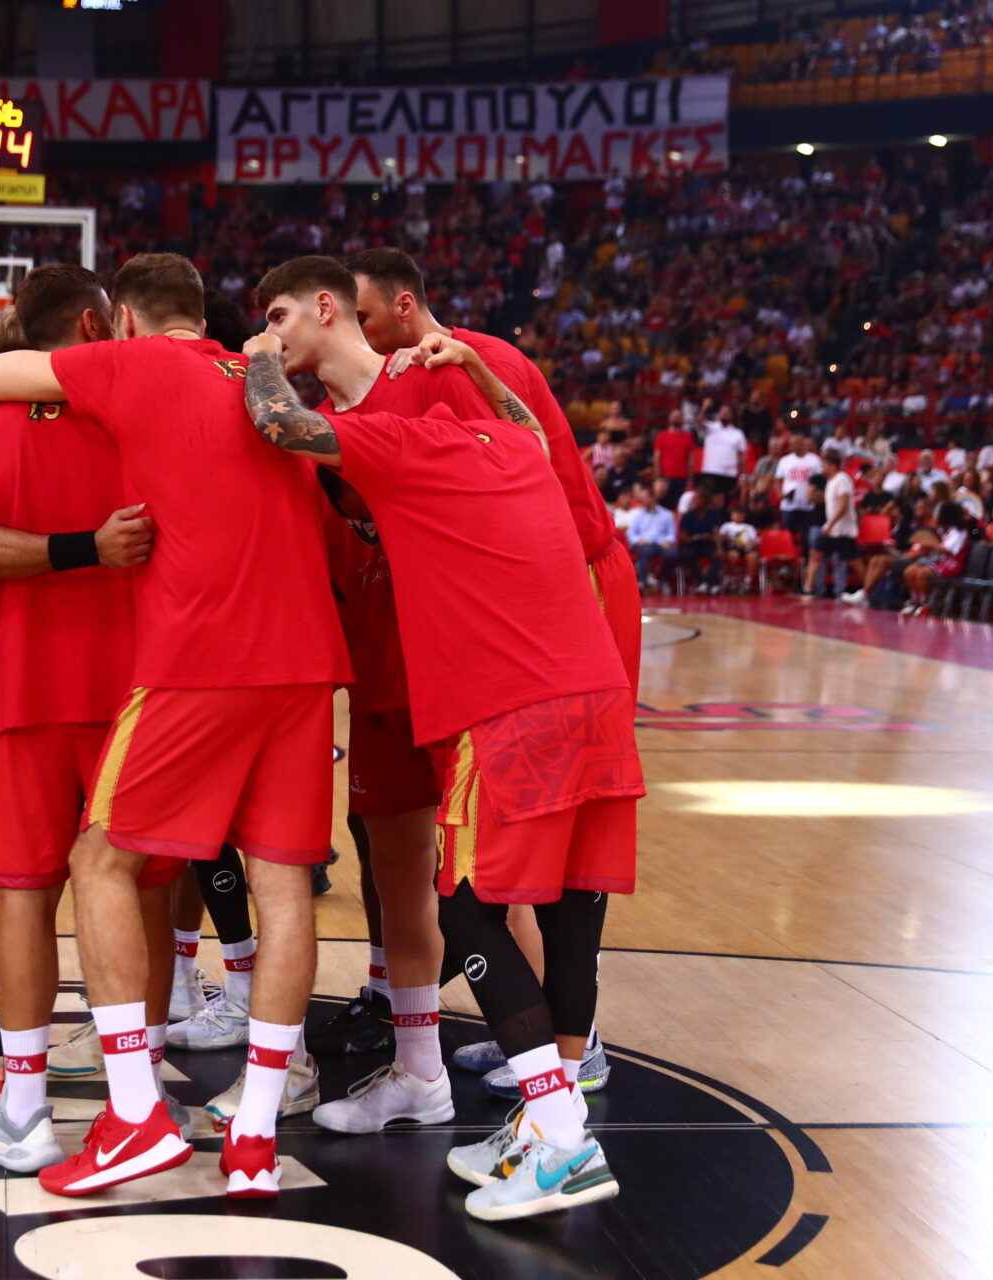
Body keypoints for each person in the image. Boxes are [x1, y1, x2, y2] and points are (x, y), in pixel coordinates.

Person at [0, 253, 349, 1200]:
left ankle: (134, 1113)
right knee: (284, 888)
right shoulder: (263, 378)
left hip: (200, 656)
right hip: (307, 660)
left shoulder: (135, 365)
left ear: (122, 321)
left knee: (97, 862)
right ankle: (255, 1135)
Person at [239, 352, 641, 1223]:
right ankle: (546, 1121)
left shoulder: (408, 450)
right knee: (574, 915)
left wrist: (258, 355)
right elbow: (530, 424)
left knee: (463, 909)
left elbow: (280, 422)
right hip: (598, 697)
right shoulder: (514, 445)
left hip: (512, 708)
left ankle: (563, 1141)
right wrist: (478, 369)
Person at [349, 248, 641, 1093]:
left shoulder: (472, 363)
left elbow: (527, 475)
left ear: (406, 307)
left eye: (366, 315)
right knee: (528, 845)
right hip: (539, 603)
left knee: (541, 839)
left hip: (573, 588)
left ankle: (570, 1060)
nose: (363, 332)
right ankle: (555, 1045)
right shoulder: (423, 373)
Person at [0, 275, 167, 1171]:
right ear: (95, 323)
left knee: (23, 894)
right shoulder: (139, 411)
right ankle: (145, 1090)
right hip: (137, 686)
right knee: (141, 888)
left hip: (22, 686)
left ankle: (23, 1111)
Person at [253, 256, 501, 1127]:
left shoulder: (431, 375)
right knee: (398, 877)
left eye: (278, 317)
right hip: (381, 669)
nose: (268, 337)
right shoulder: (312, 433)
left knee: (495, 881)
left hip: (467, 664)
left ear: (325, 307)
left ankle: (559, 1067)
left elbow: (520, 485)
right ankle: (419, 1072)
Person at [802, 450, 858, 599]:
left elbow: (844, 505)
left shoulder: (842, 479)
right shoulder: (830, 481)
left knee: (853, 561)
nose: (822, 466)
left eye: (824, 463)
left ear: (832, 465)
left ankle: (867, 590)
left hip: (843, 530)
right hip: (831, 529)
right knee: (815, 553)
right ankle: (808, 589)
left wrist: (831, 524)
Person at [627, 486, 677, 590]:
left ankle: (664, 579)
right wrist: (638, 540)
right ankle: (642, 582)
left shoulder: (667, 514)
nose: (642, 500)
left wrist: (668, 541)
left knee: (673, 554)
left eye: (645, 497)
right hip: (645, 543)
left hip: (661, 544)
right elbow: (630, 533)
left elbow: (671, 534)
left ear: (653, 498)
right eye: (642, 497)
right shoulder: (638, 515)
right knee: (645, 551)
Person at [697, 410, 747, 502]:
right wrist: (705, 407)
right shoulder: (710, 427)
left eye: (727, 412)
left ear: (732, 416)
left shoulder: (738, 433)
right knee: (706, 501)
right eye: (722, 412)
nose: (724, 414)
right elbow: (699, 421)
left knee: (724, 503)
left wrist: (742, 476)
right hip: (710, 472)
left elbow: (742, 457)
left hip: (729, 474)